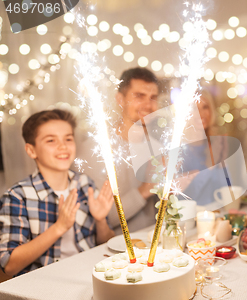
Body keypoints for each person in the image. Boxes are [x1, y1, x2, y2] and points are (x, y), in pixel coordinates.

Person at [0, 109, 114, 277]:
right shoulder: (18, 196)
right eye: (51, 140)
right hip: (44, 286)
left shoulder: (84, 184)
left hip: (89, 275)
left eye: (68, 138)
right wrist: (59, 227)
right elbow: (9, 265)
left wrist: (100, 220)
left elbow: (105, 242)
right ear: (31, 150)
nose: (63, 146)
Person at [77, 67, 159, 234]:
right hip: (112, 253)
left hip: (154, 248)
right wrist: (144, 190)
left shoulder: (157, 147)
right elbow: (97, 219)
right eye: (139, 96)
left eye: (153, 98)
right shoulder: (95, 149)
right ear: (120, 99)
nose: (148, 105)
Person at [179, 90, 231, 205]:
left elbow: (226, 190)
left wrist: (222, 161)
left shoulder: (215, 143)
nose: (200, 113)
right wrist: (210, 163)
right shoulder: (179, 150)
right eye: (194, 107)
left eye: (205, 107)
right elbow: (183, 198)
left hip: (216, 215)